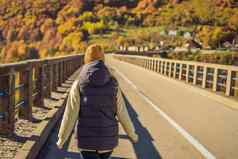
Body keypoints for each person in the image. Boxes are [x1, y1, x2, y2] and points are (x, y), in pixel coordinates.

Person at [56, 44, 138, 159]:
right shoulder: (113, 83)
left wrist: (62, 138)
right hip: (107, 141)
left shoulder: (79, 83)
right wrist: (132, 134)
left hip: (86, 142)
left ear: (86, 58)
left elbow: (70, 114)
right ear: (103, 58)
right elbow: (122, 111)